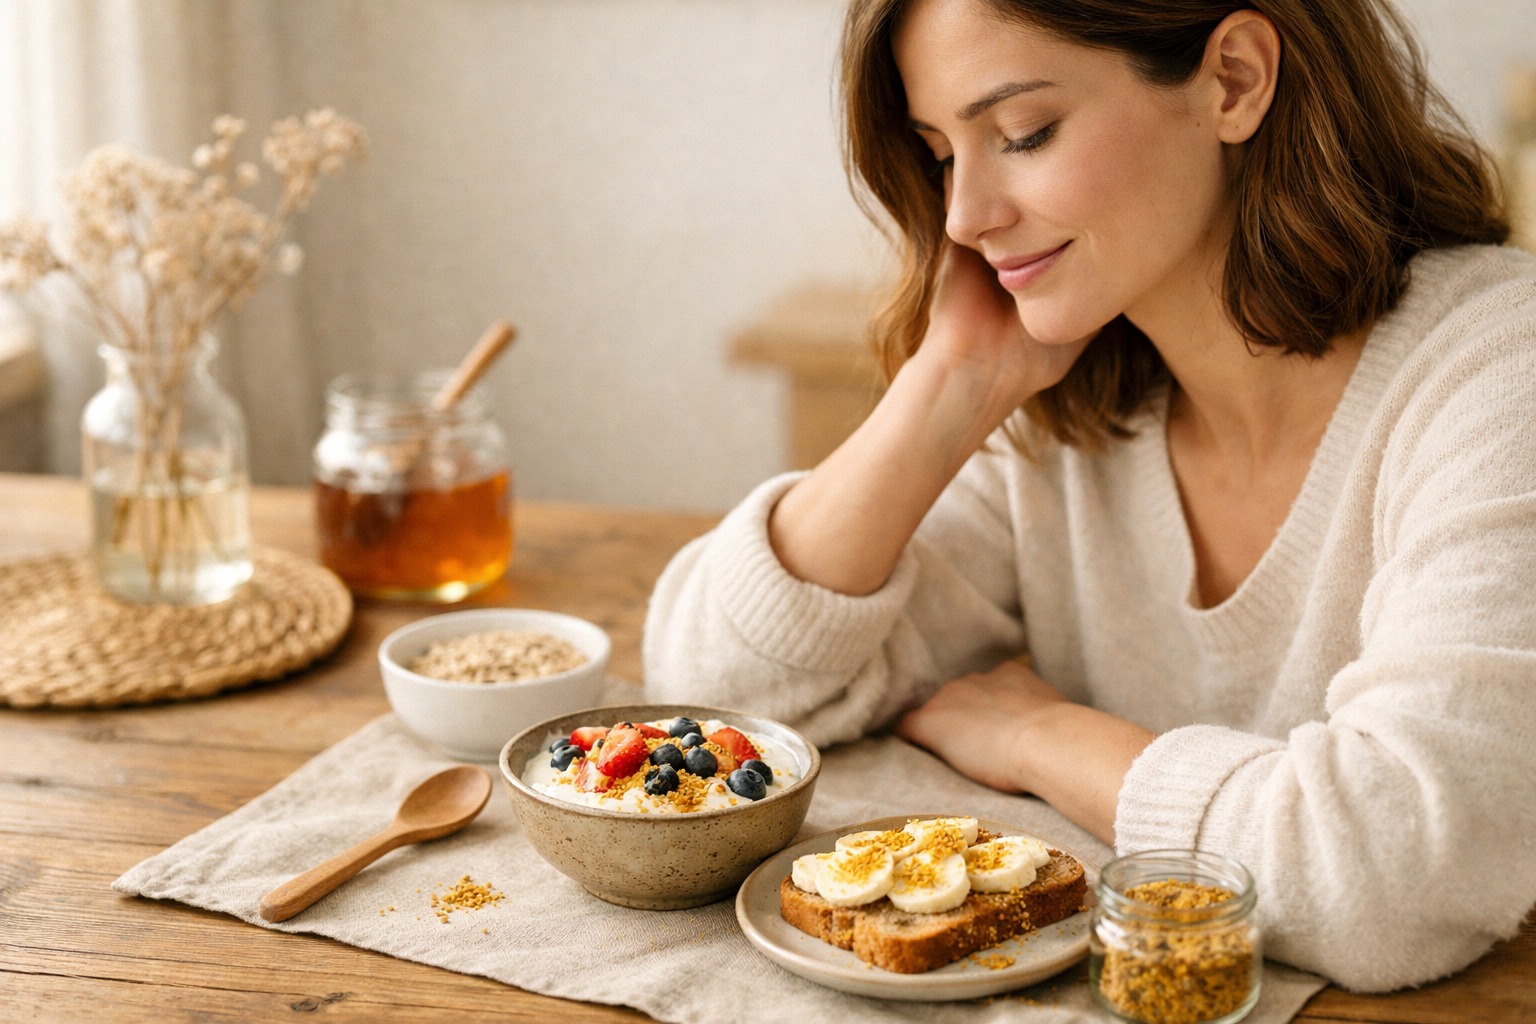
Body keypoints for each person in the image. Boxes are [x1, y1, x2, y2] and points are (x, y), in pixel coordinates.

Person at [642, 0, 1536, 992]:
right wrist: (951, 382)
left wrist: (1043, 737)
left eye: (1024, 132)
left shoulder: (1502, 374)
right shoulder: (1073, 409)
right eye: (941, 154)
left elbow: (1396, 878)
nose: (963, 217)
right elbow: (719, 704)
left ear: (1234, 80)